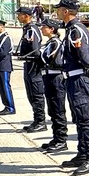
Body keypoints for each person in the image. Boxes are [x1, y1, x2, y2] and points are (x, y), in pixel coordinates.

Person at [56, 0, 89, 176]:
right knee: (78, 119)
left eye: (59, 9)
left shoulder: (76, 29)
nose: (57, 11)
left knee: (84, 119)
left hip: (79, 79)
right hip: (73, 79)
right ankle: (82, 153)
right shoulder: (73, 29)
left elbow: (86, 54)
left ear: (66, 11)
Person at [36, 18, 69, 154]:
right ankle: (56, 138)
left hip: (55, 77)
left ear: (52, 29)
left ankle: (61, 140)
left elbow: (51, 60)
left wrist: (39, 57)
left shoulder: (56, 43)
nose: (42, 29)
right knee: (52, 109)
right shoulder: (50, 43)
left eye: (44, 27)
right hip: (48, 77)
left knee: (57, 109)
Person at [14, 6, 46, 132]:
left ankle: (40, 121)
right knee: (30, 94)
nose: (18, 17)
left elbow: (35, 49)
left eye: (19, 15)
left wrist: (27, 56)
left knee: (36, 94)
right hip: (28, 65)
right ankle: (36, 120)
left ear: (26, 16)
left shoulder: (32, 29)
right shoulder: (27, 29)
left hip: (34, 65)